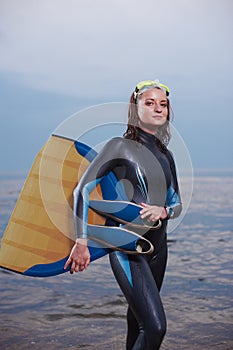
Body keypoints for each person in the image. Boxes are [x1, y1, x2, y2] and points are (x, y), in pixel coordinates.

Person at [64, 79, 182, 349]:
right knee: (155, 327)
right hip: (128, 248)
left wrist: (164, 210)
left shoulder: (167, 155)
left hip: (159, 249)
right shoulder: (119, 146)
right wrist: (81, 243)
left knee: (137, 322)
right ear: (134, 108)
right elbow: (82, 191)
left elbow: (176, 203)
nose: (158, 109)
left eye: (163, 104)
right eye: (149, 103)